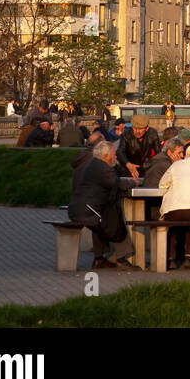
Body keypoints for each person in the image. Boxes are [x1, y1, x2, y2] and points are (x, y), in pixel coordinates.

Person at [68, 140, 136, 268]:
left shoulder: (94, 164)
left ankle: (99, 259)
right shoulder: (103, 169)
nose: (116, 157)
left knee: (104, 219)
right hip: (88, 211)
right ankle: (122, 258)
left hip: (80, 209)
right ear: (106, 156)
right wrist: (133, 182)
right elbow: (118, 184)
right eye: (114, 155)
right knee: (115, 220)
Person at [117, 115, 160, 179]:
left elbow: (158, 153)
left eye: (140, 129)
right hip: (128, 169)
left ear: (147, 128)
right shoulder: (126, 134)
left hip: (146, 168)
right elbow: (120, 151)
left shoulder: (153, 133)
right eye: (134, 128)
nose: (137, 131)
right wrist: (128, 164)